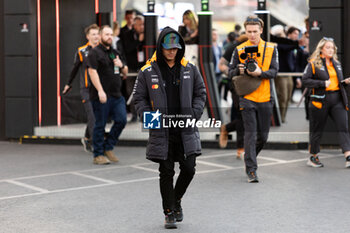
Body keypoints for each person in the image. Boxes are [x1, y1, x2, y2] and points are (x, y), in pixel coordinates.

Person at [133, 27, 206, 229]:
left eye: (175, 48)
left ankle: (176, 200)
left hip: (185, 128)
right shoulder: (147, 71)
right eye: (168, 48)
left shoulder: (190, 68)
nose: (172, 51)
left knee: (189, 169)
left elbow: (201, 93)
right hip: (161, 131)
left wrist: (194, 113)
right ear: (160, 47)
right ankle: (168, 212)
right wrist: (150, 118)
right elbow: (139, 99)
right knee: (166, 171)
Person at [228, 15, 279, 183]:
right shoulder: (240, 49)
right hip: (247, 97)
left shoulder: (271, 48)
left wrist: (260, 73)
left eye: (255, 31)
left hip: (265, 97)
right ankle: (251, 169)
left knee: (263, 137)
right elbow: (230, 72)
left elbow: (274, 72)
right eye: (249, 31)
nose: (251, 35)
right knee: (250, 133)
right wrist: (239, 70)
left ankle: (250, 157)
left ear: (261, 30)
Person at [302, 37, 350, 168]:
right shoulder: (313, 63)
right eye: (328, 47)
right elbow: (305, 80)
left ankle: (348, 155)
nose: (331, 49)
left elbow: (335, 82)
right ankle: (313, 156)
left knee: (343, 127)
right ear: (321, 49)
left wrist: (344, 82)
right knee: (317, 130)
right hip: (320, 100)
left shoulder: (336, 63)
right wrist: (322, 83)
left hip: (337, 99)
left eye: (332, 47)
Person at [87, 25, 128, 165]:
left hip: (117, 95)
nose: (109, 37)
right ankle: (98, 154)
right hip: (101, 96)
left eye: (111, 34)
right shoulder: (94, 53)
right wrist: (100, 90)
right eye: (106, 34)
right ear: (100, 36)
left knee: (122, 120)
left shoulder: (115, 52)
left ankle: (108, 147)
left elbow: (125, 73)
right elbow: (92, 72)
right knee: (100, 125)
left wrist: (121, 65)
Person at [62, 24, 100, 153]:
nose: (96, 36)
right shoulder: (82, 51)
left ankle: (86, 138)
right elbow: (75, 68)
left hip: (100, 89)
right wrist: (68, 84)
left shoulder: (103, 50)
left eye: (97, 34)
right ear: (88, 36)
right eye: (93, 34)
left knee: (96, 116)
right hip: (86, 89)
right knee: (92, 116)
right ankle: (97, 146)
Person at [218, 34, 248, 159]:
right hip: (236, 84)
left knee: (251, 115)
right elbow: (221, 65)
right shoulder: (234, 47)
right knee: (242, 114)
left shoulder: (260, 48)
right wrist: (232, 72)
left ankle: (227, 128)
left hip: (254, 85)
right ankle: (240, 148)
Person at [121, 15, 145, 122]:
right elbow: (127, 49)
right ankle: (134, 113)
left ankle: (143, 114)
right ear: (134, 25)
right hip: (131, 66)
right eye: (139, 25)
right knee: (131, 90)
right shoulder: (127, 35)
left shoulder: (147, 35)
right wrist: (138, 42)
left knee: (144, 91)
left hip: (143, 66)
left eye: (143, 24)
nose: (142, 27)